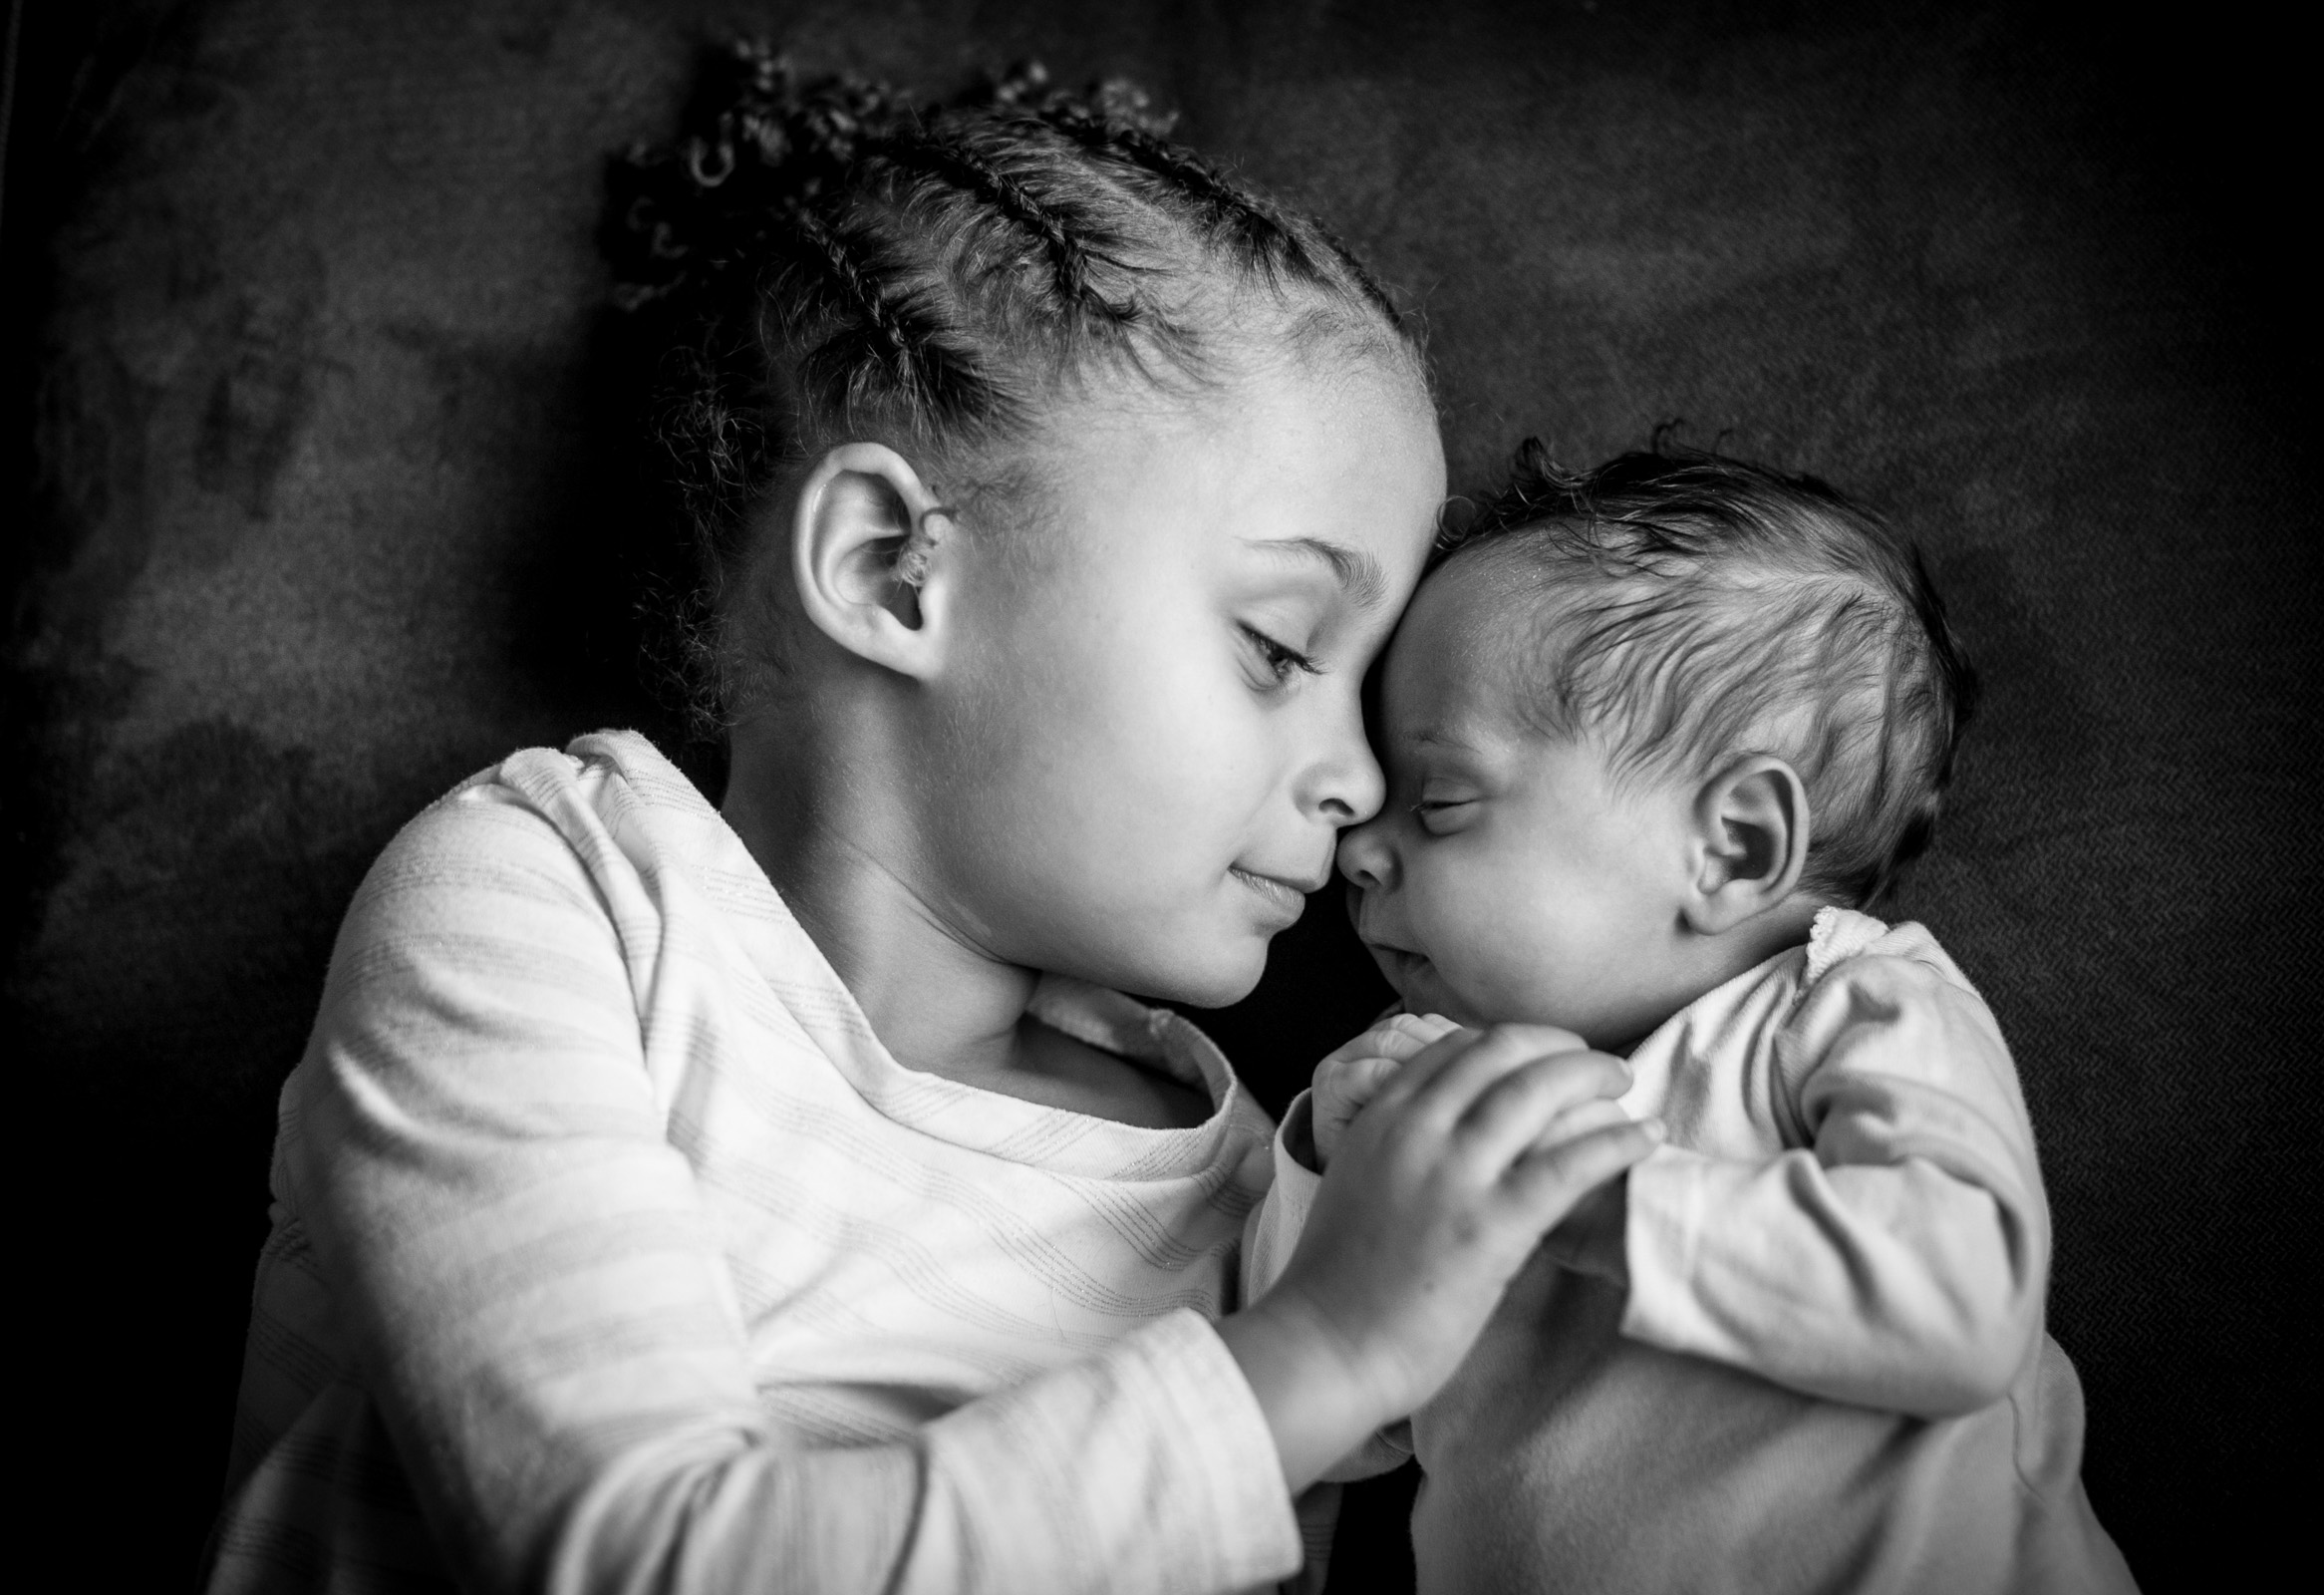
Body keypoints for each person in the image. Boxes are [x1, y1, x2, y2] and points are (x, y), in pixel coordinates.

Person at [200, 53, 1664, 1595]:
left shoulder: (1262, 1188)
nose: (1359, 781)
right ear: (896, 568)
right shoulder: (552, 906)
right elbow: (628, 1553)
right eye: (1281, 649)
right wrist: (1328, 1354)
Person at [1251, 444, 2141, 1593]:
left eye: (1444, 801)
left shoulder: (1846, 1004)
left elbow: (1964, 1302)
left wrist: (1602, 1202)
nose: (1361, 845)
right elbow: (1310, 1420)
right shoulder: (1430, 1086)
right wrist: (1325, 1166)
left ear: (1732, 845)